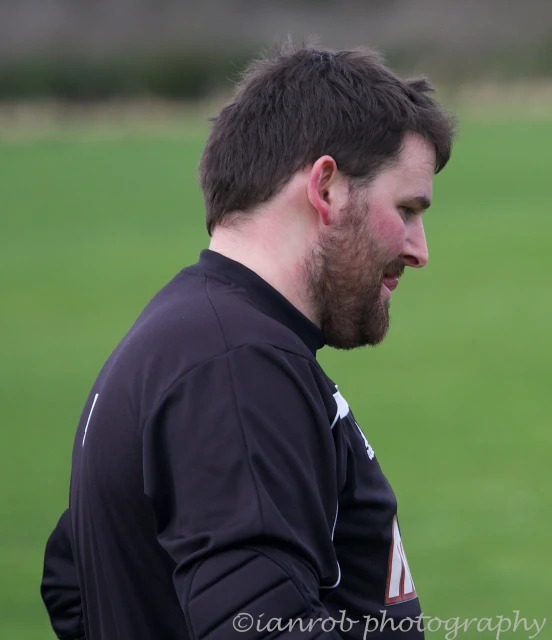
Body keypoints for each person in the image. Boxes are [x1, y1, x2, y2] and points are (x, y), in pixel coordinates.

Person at [41, 42, 455, 639]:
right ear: (328, 187)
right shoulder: (237, 366)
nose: (419, 250)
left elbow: (73, 583)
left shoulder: (184, 338)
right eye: (408, 209)